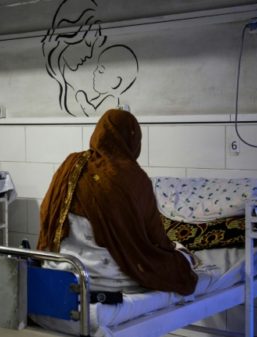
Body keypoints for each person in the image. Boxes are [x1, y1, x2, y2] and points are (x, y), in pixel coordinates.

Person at [37, 109, 197, 295]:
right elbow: (154, 236)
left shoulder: (71, 163)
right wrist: (171, 252)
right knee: (177, 263)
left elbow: (46, 213)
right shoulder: (133, 178)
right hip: (106, 280)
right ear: (133, 140)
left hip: (59, 269)